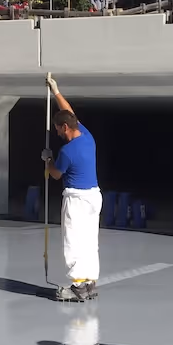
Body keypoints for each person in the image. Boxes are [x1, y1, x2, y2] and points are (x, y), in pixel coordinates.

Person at [43, 73, 102, 302]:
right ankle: (89, 283)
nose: (57, 133)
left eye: (58, 129)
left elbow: (56, 175)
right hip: (94, 196)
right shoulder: (87, 136)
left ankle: (77, 286)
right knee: (89, 240)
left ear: (65, 127)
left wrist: (47, 160)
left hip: (76, 199)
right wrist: (56, 91)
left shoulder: (67, 152)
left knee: (73, 241)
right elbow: (70, 111)